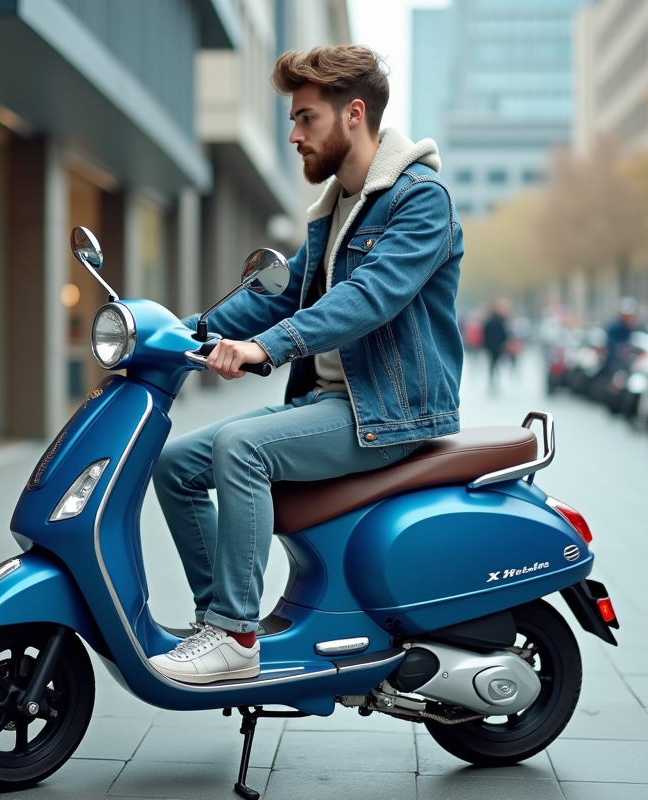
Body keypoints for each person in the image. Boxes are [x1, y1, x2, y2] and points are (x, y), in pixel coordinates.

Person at [149, 45, 463, 684]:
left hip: (387, 413)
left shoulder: (420, 200)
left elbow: (369, 297)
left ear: (353, 114)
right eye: (292, 121)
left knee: (242, 447)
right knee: (176, 464)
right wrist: (171, 337)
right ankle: (222, 617)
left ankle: (234, 636)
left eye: (305, 119)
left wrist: (268, 348)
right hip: (330, 407)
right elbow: (280, 295)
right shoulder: (335, 212)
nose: (293, 135)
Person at [482, 299, 510, 392]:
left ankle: (492, 381)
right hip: (498, 346)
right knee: (496, 364)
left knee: (491, 364)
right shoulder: (501, 321)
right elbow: (504, 334)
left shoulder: (489, 320)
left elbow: (485, 332)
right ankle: (495, 381)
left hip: (490, 346)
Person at [605, 297, 640, 366]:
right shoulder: (614, 328)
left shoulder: (637, 328)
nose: (628, 317)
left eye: (629, 315)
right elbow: (611, 346)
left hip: (634, 363)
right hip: (616, 362)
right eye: (625, 315)